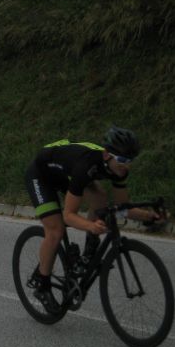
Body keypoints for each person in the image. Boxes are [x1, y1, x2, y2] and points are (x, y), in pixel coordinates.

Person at [24, 126, 164, 313]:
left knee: (100, 198)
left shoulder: (119, 170)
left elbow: (123, 208)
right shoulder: (86, 166)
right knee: (56, 230)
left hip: (66, 172)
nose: (126, 166)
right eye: (122, 160)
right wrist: (90, 225)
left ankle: (88, 254)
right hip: (41, 175)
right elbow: (69, 215)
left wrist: (148, 216)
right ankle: (42, 285)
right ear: (107, 155)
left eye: (130, 161)